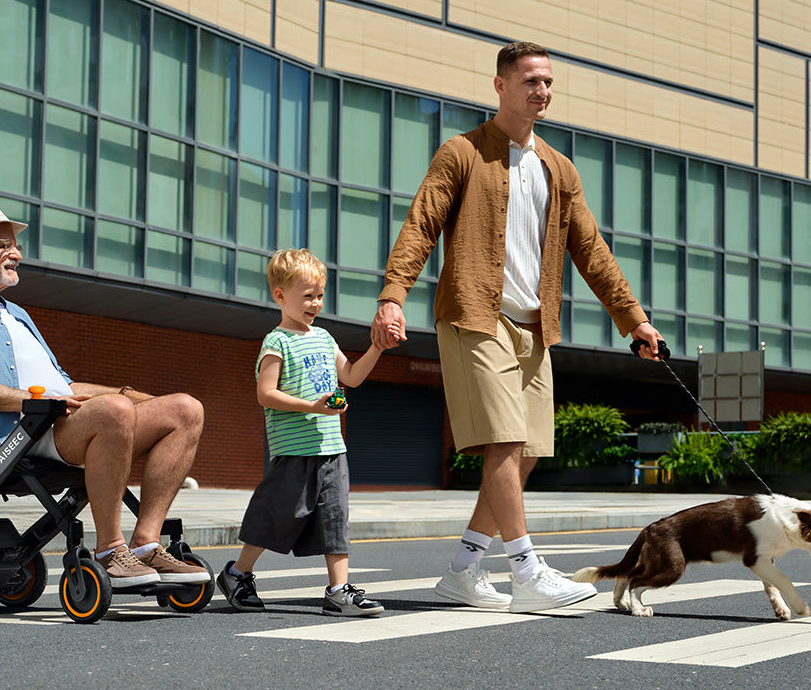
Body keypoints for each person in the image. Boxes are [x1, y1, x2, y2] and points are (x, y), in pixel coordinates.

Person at [371, 41, 664, 614]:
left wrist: (636, 321)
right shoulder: (462, 153)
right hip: (476, 317)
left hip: (535, 329)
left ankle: (462, 570)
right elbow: (421, 224)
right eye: (531, 80)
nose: (542, 91)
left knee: (525, 451)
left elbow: (592, 252)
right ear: (500, 85)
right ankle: (527, 570)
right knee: (504, 441)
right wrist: (392, 297)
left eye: (548, 82)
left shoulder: (560, 169)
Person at [0, 198, 208, 588]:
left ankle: (145, 544)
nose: (16, 253)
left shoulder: (18, 314)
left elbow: (63, 383)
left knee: (186, 409)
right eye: (2, 245)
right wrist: (38, 403)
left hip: (62, 423)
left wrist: (126, 393)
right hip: (12, 438)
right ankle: (109, 550)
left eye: (15, 245)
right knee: (115, 411)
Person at [216, 249, 392, 616]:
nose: (316, 303)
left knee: (334, 519)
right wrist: (312, 406)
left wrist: (377, 347)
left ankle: (338, 591)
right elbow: (265, 394)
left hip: (332, 448)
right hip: (294, 451)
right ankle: (237, 573)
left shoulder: (325, 339)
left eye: (319, 295)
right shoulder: (276, 342)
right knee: (277, 515)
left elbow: (352, 377)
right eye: (307, 295)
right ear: (280, 295)